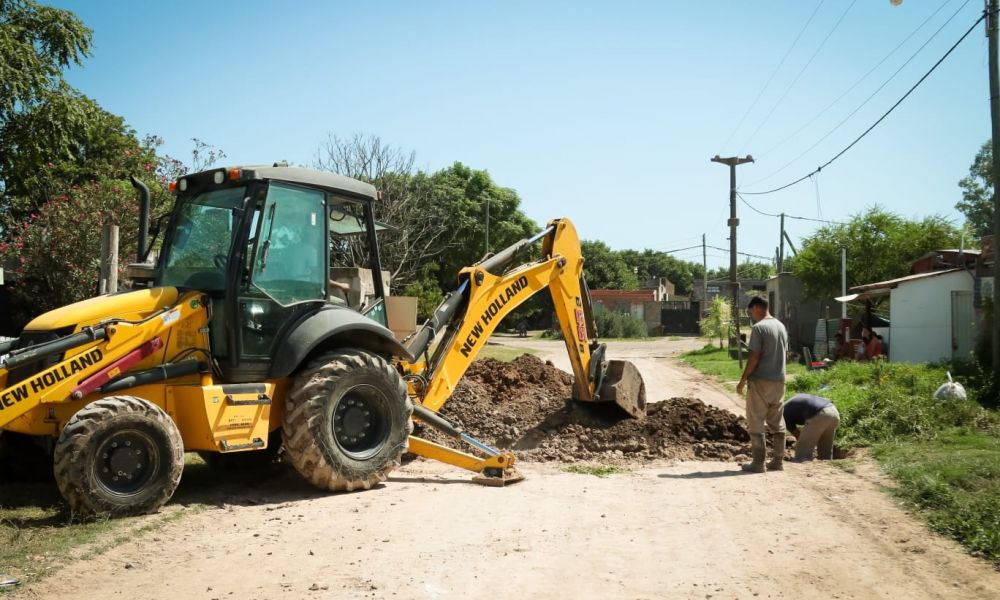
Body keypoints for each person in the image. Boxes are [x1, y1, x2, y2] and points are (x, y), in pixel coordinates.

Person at [736, 296, 789, 473]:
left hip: (760, 381)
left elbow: (754, 358)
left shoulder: (759, 328)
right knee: (777, 420)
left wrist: (743, 380)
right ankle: (778, 461)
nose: (752, 315)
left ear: (757, 308)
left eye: (752, 311)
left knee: (756, 419)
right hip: (779, 381)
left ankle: (758, 463)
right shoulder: (781, 326)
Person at [783, 393, 841, 461]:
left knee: (802, 451)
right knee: (825, 449)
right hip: (834, 412)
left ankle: (801, 462)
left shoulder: (782, 413)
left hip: (820, 414)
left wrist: (804, 442)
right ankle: (826, 465)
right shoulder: (789, 403)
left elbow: (797, 434)